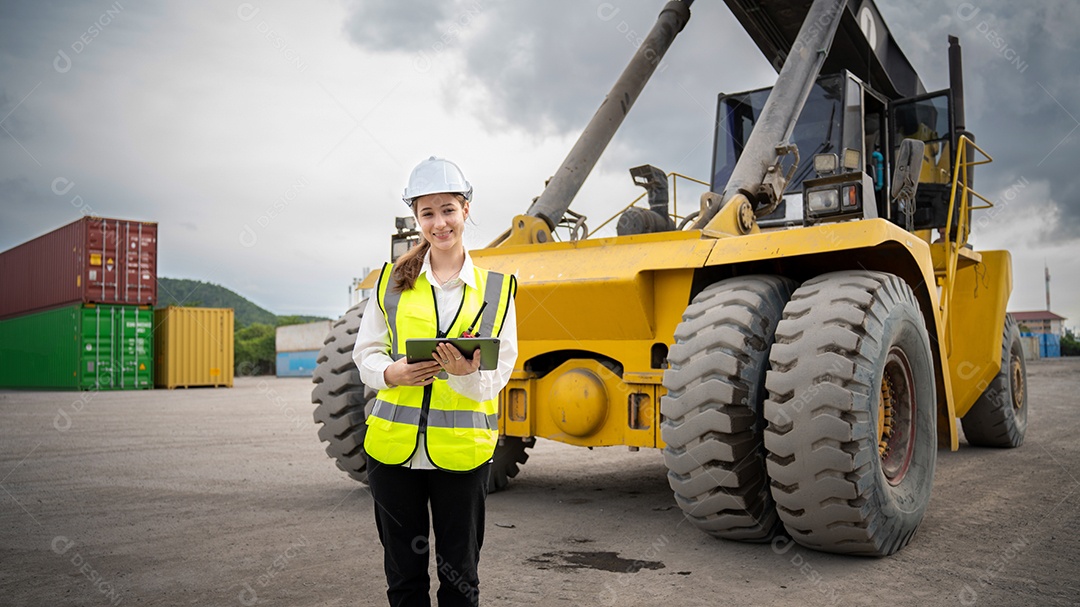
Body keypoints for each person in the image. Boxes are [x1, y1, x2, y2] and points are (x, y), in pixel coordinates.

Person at [352, 156, 518, 607]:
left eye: (448, 209)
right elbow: (365, 352)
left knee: (460, 578)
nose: (439, 222)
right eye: (428, 213)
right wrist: (392, 373)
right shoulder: (391, 282)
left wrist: (465, 377)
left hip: (461, 456)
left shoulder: (498, 290)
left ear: (466, 209)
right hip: (392, 453)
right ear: (416, 219)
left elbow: (498, 374)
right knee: (403, 579)